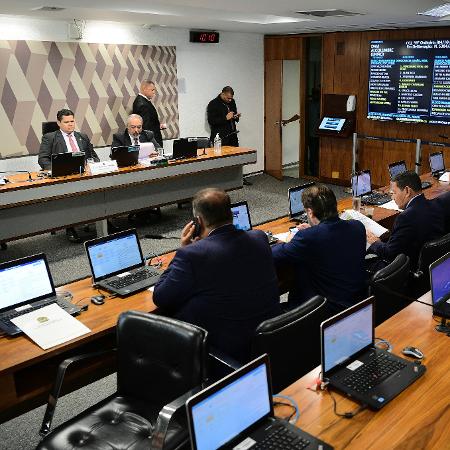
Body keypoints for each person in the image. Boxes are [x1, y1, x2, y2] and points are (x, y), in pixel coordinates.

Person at [153, 188, 281, 363]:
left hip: (225, 348)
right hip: (268, 338)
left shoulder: (192, 255)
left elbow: (161, 297)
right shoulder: (259, 237)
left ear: (198, 221)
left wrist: (183, 249)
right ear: (231, 213)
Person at [272, 184, 367, 316]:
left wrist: (289, 240)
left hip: (324, 311)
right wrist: (310, 233)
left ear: (310, 212)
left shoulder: (308, 237)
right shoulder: (357, 227)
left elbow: (273, 255)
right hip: (358, 303)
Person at [38, 108, 99, 243]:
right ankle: (70, 227)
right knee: (70, 197)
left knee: (101, 191)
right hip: (64, 179)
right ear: (59, 123)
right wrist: (59, 169)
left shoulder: (82, 136)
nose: (70, 124)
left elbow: (94, 156)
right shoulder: (50, 138)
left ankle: (103, 220)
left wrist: (91, 164)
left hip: (85, 175)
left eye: (72, 121)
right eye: (66, 122)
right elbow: (43, 160)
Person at [367, 171, 445, 268]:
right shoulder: (434, 204)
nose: (392, 197)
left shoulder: (406, 217)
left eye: (394, 193)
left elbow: (390, 254)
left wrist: (375, 243)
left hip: (410, 269)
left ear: (407, 191)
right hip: (434, 262)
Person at [132, 80, 164, 147]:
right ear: (144, 89)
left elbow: (149, 122)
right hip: (151, 143)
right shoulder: (142, 103)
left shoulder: (143, 101)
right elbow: (146, 127)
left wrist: (158, 126)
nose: (154, 92)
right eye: (152, 90)